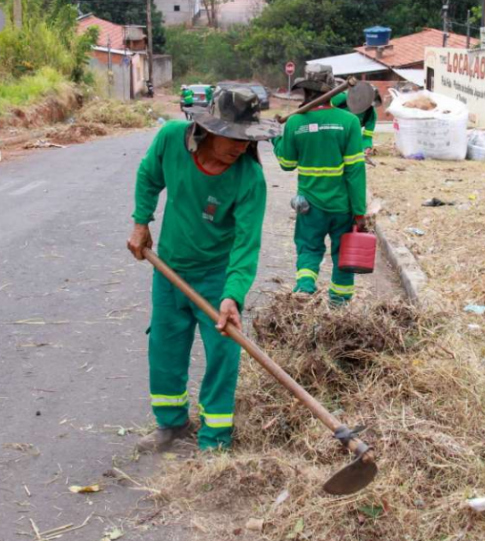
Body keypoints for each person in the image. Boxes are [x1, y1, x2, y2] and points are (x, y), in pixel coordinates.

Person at [128, 86, 276, 453]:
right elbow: (149, 176)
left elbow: (246, 246)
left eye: (247, 139)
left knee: (223, 355)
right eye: (233, 137)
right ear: (208, 128)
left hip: (217, 277)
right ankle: (172, 424)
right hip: (170, 271)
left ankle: (214, 441)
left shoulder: (249, 179)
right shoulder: (170, 140)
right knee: (164, 348)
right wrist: (140, 222)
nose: (241, 147)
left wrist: (232, 296)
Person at [273, 64, 366, 304]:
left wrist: (276, 137)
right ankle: (339, 305)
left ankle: (304, 288)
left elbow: (286, 163)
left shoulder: (295, 122)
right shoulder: (349, 122)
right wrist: (359, 211)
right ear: (332, 91)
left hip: (309, 205)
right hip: (342, 206)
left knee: (309, 249)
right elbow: (355, 171)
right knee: (342, 255)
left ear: (305, 91)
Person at [330, 85, 381, 155]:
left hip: (350, 137)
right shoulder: (340, 98)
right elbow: (321, 113)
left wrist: (366, 147)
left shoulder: (370, 115)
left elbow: (367, 137)